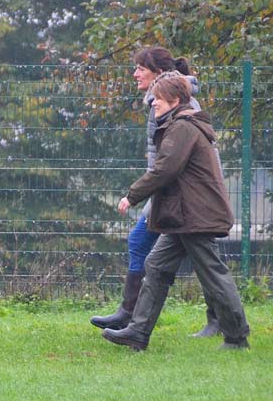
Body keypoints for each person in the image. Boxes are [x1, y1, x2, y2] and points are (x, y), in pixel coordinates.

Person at [101, 73, 250, 351]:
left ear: (175, 100)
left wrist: (132, 196)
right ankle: (138, 333)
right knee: (156, 266)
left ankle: (236, 337)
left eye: (158, 98)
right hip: (184, 215)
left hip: (196, 215)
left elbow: (164, 169)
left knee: (213, 275)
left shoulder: (182, 127)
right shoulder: (180, 124)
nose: (153, 103)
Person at [90, 47, 220, 337]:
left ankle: (223, 323)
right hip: (171, 192)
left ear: (159, 73)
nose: (135, 74)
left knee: (204, 262)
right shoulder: (158, 102)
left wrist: (138, 195)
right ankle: (131, 316)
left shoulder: (177, 103)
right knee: (173, 254)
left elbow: (171, 163)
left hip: (187, 196)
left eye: (141, 68)